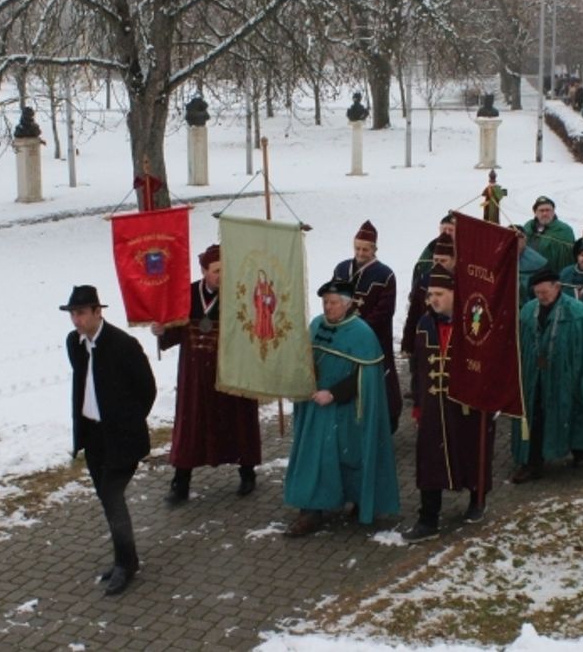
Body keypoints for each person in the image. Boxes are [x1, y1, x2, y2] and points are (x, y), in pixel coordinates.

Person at [284, 281, 400, 537]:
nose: (328, 307)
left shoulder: (361, 333)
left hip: (348, 410)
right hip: (315, 407)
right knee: (314, 457)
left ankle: (360, 499)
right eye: (325, 302)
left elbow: (365, 377)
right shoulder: (316, 325)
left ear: (348, 304)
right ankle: (311, 509)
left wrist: (334, 394)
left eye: (334, 302)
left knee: (350, 456)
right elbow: (304, 361)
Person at [62, 285, 157, 596]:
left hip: (122, 438)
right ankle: (124, 559)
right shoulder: (74, 344)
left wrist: (128, 421)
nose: (76, 320)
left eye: (81, 313)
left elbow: (147, 389)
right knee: (107, 498)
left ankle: (125, 564)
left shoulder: (123, 345)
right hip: (93, 435)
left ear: (97, 312)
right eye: (73, 314)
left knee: (112, 496)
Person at [152, 246, 260, 504]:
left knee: (238, 420)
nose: (222, 275)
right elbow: (173, 332)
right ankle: (181, 483)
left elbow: (252, 330)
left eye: (225, 269)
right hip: (195, 375)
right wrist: (161, 330)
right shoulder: (186, 295)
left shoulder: (239, 295)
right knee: (191, 425)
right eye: (216, 271)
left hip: (230, 372)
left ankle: (247, 472)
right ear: (204, 271)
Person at [402, 266, 493, 542]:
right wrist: (418, 402)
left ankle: (477, 499)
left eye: (440, 294)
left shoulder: (473, 323)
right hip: (432, 406)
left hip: (466, 406)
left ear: (455, 293)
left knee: (471, 451)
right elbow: (418, 367)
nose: (433, 300)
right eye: (430, 294)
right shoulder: (424, 323)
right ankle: (428, 519)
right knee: (430, 459)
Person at [512, 269, 583, 481]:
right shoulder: (528, 311)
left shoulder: (579, 313)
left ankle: (580, 451)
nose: (541, 297)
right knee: (536, 418)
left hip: (569, 375)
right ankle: (532, 463)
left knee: (576, 411)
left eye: (544, 292)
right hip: (536, 377)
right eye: (537, 293)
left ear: (557, 287)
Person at [333, 221, 402, 430]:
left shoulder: (385, 275)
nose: (360, 253)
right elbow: (332, 297)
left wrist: (359, 330)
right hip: (343, 336)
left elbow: (385, 310)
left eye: (365, 249)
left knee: (378, 379)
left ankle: (385, 420)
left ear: (374, 249)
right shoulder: (342, 268)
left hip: (375, 338)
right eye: (357, 248)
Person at [402, 233, 456, 357]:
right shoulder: (423, 281)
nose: (438, 264)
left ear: (453, 260)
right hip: (427, 336)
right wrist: (407, 345)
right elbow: (413, 313)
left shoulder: (460, 283)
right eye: (435, 260)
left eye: (443, 261)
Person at [524, 196, 578, 275]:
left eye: (548, 210)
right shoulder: (528, 227)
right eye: (541, 211)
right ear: (535, 212)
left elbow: (568, 258)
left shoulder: (564, 230)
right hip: (530, 273)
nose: (545, 213)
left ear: (553, 212)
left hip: (553, 275)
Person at [511, 224, 548, 308]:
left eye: (520, 237)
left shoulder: (538, 263)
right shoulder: (497, 256)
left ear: (525, 239)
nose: (516, 240)